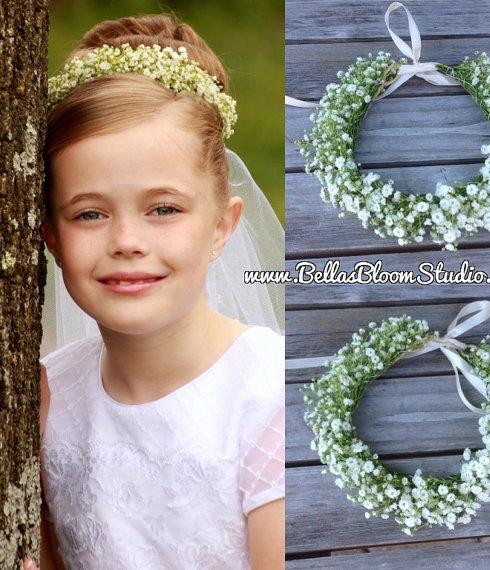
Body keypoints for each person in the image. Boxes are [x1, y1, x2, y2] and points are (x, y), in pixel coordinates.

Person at [23, 12, 284, 570]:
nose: (126, 241)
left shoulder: (269, 400)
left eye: (163, 209)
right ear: (50, 235)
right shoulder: (48, 398)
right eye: (89, 213)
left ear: (222, 225)